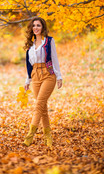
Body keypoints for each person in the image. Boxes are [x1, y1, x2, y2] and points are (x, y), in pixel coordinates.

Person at [23, 17, 62, 148]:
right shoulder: (30, 45)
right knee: (43, 108)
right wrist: (27, 80)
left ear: (42, 27)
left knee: (39, 104)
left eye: (38, 25)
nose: (36, 27)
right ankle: (48, 136)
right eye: (34, 25)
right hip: (35, 76)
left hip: (48, 75)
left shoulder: (49, 41)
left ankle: (30, 134)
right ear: (31, 28)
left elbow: (54, 59)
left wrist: (59, 76)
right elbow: (28, 65)